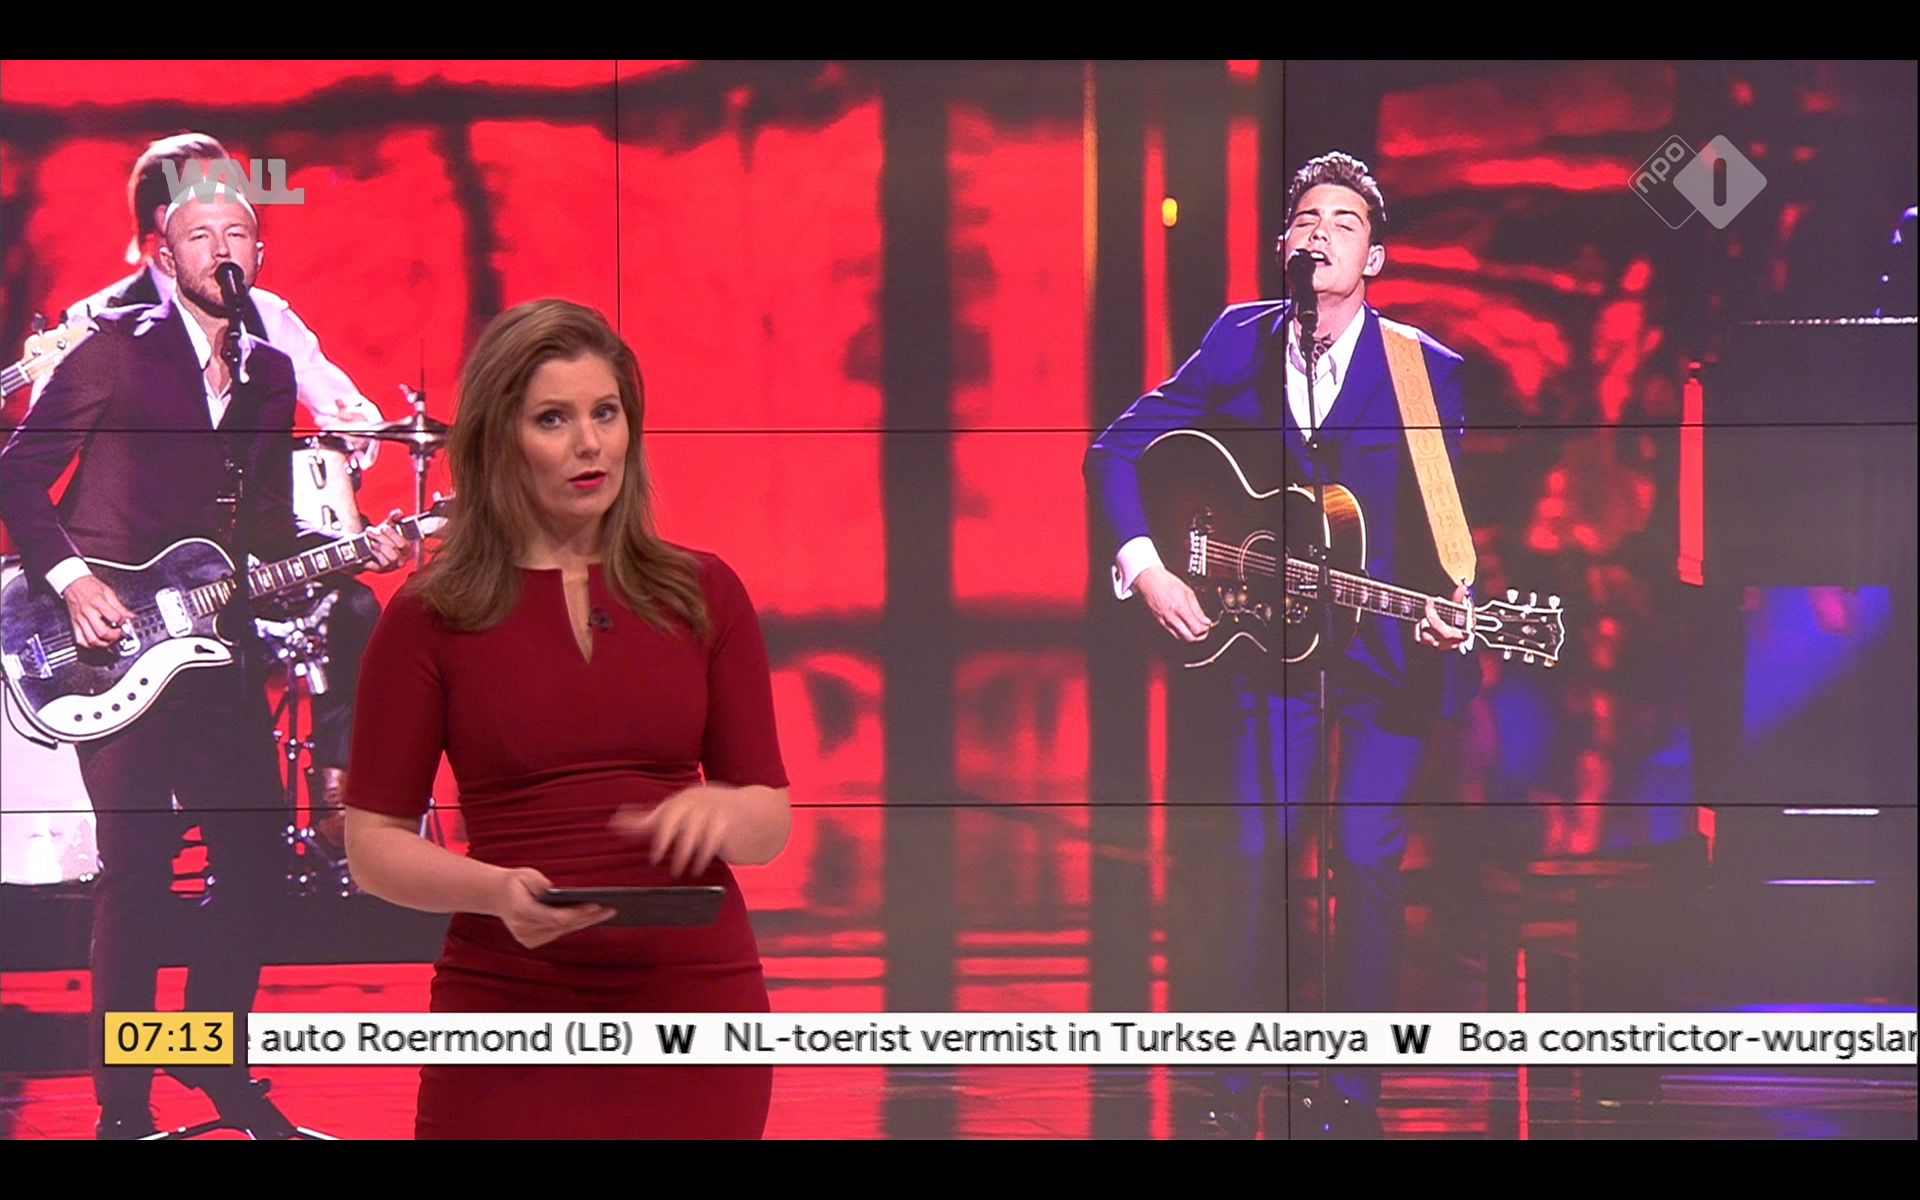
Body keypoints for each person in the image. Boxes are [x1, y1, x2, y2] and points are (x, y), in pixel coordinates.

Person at [1084, 151, 1476, 1138]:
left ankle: (1354, 1091)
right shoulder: (1239, 341)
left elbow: (1451, 524)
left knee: (1365, 856)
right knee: (1258, 852)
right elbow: (1117, 448)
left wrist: (1455, 601)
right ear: (1284, 246)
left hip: (1388, 653)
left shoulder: (1423, 368)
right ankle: (1234, 1075)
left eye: (1345, 222)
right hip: (1271, 649)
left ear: (1374, 256)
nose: (1322, 233)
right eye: (1307, 219)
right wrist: (1149, 568)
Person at [0, 185, 405, 1138]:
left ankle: (207, 1057)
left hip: (214, 646)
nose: (222, 249)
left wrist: (354, 547)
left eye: (238, 234)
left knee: (253, 856)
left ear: (259, 255)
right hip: (104, 646)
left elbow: (263, 527)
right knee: (138, 871)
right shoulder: (114, 350)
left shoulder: (269, 374)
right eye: (200, 235)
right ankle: (123, 1107)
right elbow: (16, 471)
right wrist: (73, 582)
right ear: (165, 257)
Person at [343, 299, 792, 1140]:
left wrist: (723, 813)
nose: (591, 444)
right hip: (509, 1006)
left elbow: (769, 823)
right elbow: (372, 848)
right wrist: (493, 891)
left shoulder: (703, 592)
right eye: (554, 419)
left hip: (695, 1009)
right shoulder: (431, 615)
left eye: (606, 413)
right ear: (500, 441)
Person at [49, 132, 391, 840]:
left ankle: (337, 794)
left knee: (355, 606)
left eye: (237, 218)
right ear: (162, 231)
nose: (226, 229)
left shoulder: (270, 324)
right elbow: (38, 467)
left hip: (235, 578)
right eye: (204, 210)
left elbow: (341, 411)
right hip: (131, 600)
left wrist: (356, 434)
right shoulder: (95, 326)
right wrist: (76, 580)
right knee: (138, 853)